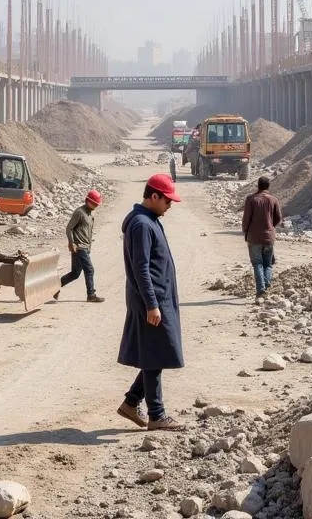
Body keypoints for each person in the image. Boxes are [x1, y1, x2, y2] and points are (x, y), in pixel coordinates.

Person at [117, 173, 186, 432]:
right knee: (154, 354)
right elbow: (141, 268)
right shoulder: (141, 225)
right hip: (151, 300)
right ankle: (157, 415)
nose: (170, 206)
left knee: (155, 354)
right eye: (167, 201)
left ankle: (132, 402)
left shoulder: (150, 220)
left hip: (157, 298)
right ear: (153, 196)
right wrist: (151, 304)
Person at [54, 190, 104, 302]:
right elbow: (69, 228)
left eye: (97, 204)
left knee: (75, 273)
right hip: (80, 247)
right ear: (88, 201)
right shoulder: (80, 212)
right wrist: (71, 242)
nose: (96, 206)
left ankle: (54, 287)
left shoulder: (90, 214)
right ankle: (91, 295)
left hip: (85, 247)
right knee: (90, 270)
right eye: (95, 203)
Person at [241, 175, 283, 299]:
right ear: (268, 186)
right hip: (269, 237)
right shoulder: (273, 200)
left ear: (258, 186)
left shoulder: (251, 199)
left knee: (258, 264)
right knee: (268, 264)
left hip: (254, 238)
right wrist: (270, 227)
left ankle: (261, 290)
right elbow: (278, 218)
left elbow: (246, 219)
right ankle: (266, 284)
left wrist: (246, 231)